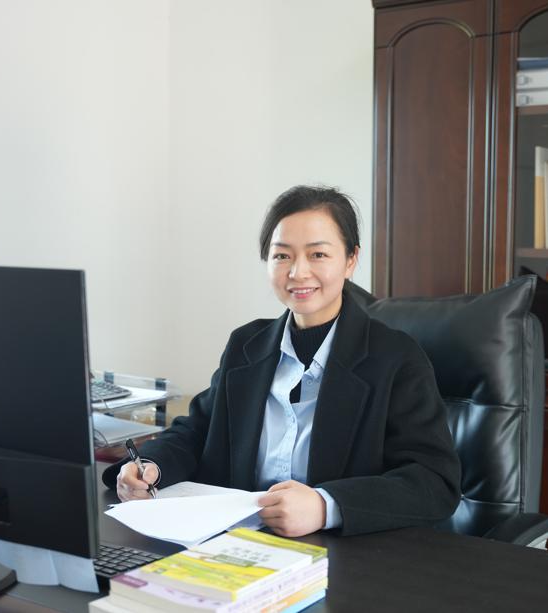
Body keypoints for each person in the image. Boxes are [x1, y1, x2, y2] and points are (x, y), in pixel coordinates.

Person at [103, 185, 461, 537]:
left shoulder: (395, 358)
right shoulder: (246, 345)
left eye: (318, 254)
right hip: (235, 544)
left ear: (351, 260)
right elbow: (197, 432)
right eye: (282, 256)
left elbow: (434, 481)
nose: (298, 272)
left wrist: (326, 506)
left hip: (344, 553)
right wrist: (151, 466)